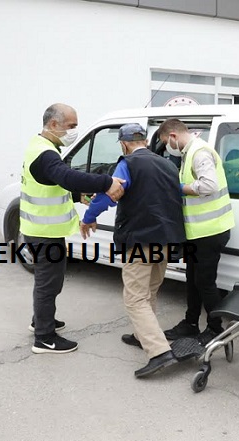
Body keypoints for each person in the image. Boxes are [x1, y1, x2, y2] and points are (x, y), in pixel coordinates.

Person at [79, 123, 186, 377]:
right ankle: (142, 335)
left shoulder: (128, 163)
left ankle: (159, 352)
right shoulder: (169, 164)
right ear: (146, 142)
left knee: (135, 297)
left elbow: (110, 193)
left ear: (124, 143)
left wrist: (88, 217)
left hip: (140, 240)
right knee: (149, 289)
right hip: (166, 239)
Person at [21, 103, 125, 355]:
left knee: (49, 281)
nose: (74, 131)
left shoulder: (41, 146)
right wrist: (107, 181)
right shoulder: (46, 154)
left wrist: (79, 196)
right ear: (54, 124)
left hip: (42, 230)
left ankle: (41, 321)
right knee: (48, 283)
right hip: (43, 233)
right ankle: (44, 338)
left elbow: (54, 184)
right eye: (72, 126)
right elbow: (66, 177)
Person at [157, 119, 235, 346]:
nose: (167, 148)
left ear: (173, 136)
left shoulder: (199, 152)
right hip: (197, 232)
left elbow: (208, 185)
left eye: (165, 143)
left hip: (210, 231)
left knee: (205, 282)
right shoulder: (189, 153)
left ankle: (216, 330)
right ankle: (190, 324)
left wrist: (179, 189)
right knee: (192, 279)